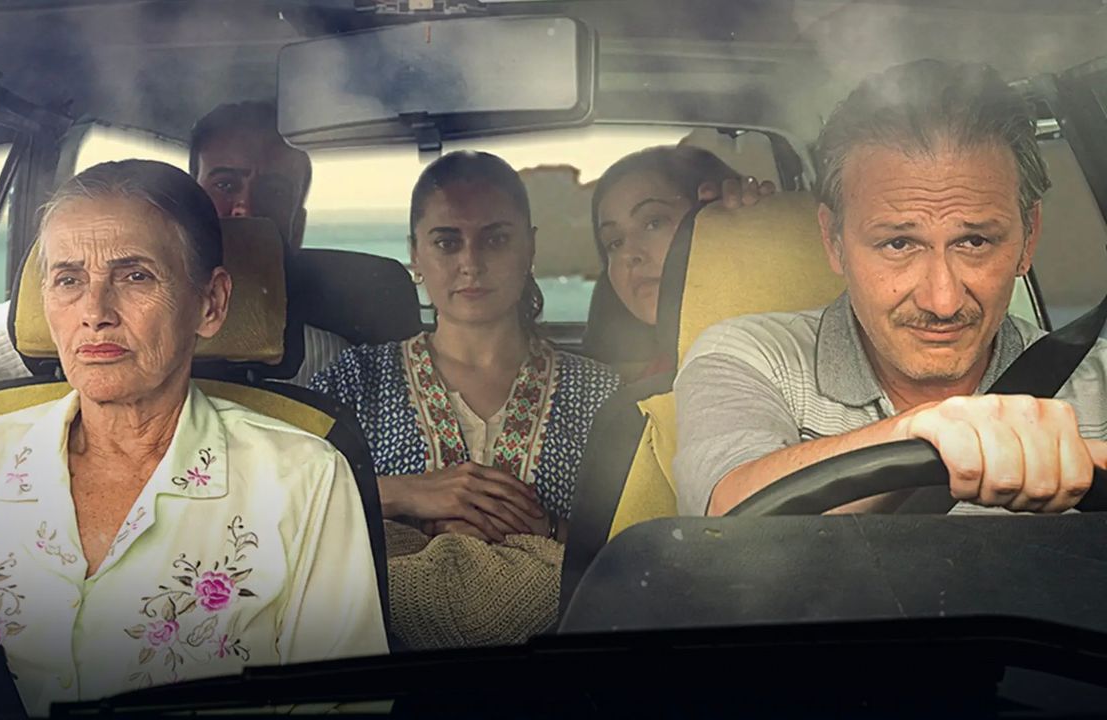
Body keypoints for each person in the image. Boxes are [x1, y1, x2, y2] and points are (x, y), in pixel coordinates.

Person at [0, 160, 387, 714]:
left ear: (211, 304)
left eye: (135, 276)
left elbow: (344, 703)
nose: (94, 312)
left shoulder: (303, 478)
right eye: (69, 280)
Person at [672, 59, 1107, 518]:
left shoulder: (1098, 383)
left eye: (975, 241)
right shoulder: (753, 358)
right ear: (834, 240)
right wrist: (922, 432)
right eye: (898, 243)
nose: (943, 301)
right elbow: (724, 515)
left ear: (1029, 237)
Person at [309, 151, 620, 647]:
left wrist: (548, 528)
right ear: (415, 254)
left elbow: (644, 545)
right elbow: (280, 507)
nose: (471, 264)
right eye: (446, 242)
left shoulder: (603, 395)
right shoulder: (355, 380)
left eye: (495, 239)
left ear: (530, 247)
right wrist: (402, 492)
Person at [0, 101, 346, 418]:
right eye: (225, 184)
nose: (244, 206)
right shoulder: (51, 321)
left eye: (273, 191)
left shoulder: (328, 359)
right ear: (191, 198)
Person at [588, 144, 776, 380]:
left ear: (713, 215)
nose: (629, 254)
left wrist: (758, 223)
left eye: (654, 223)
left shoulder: (779, 352)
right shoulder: (641, 383)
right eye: (614, 243)